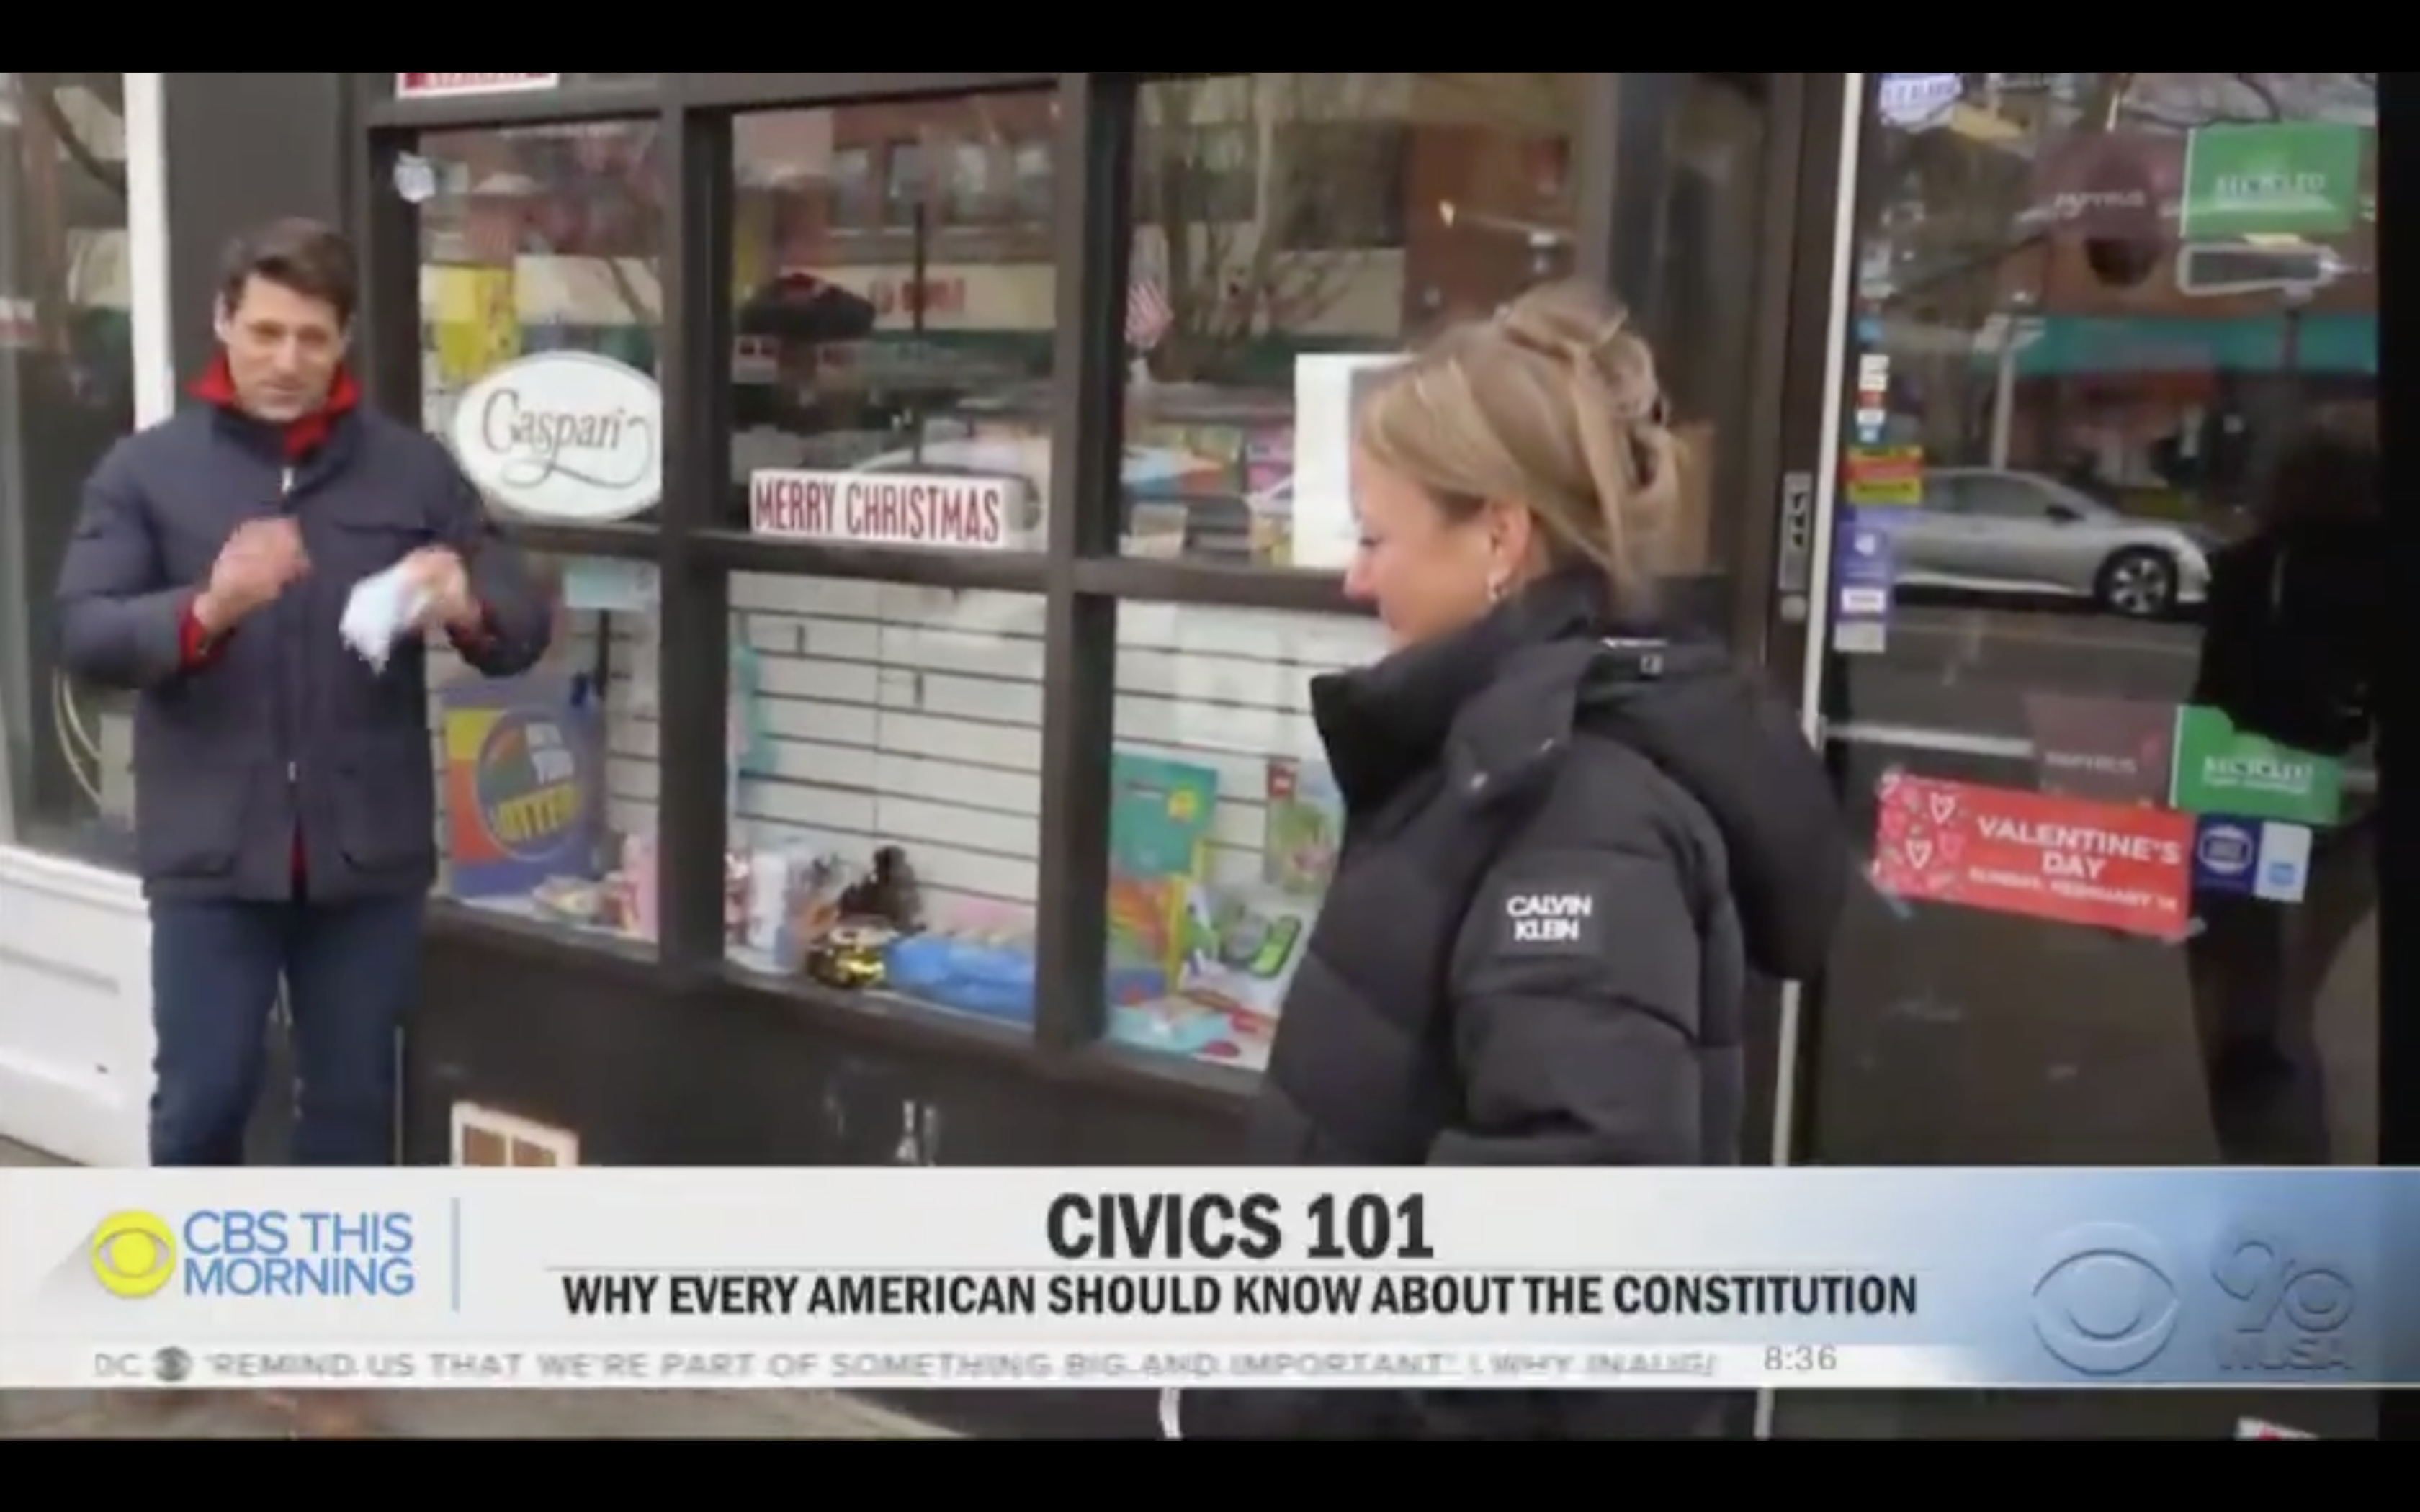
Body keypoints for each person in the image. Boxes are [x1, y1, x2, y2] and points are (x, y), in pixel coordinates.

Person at [1166, 282, 1850, 1440]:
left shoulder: (1577, 819)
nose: (1356, 579)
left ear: (1499, 536)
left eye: (1377, 537)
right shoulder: (1498, 764)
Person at [54, 218, 551, 1171]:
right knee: (203, 1100)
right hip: (211, 853)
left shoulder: (413, 470)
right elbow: (85, 635)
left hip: (365, 855)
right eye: (266, 332)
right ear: (223, 322)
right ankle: (199, 1269)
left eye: (312, 338)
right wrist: (210, 606)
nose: (287, 361)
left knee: (353, 1109)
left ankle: (328, 1272)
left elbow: (520, 627)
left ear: (344, 339)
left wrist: (466, 604)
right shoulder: (146, 471)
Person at [2184, 424, 2380, 1164]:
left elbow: (2217, 702)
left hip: (2260, 804)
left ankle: (2275, 1180)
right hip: (2358, 814)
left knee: (2246, 1010)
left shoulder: (2256, 569)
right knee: (2285, 1005)